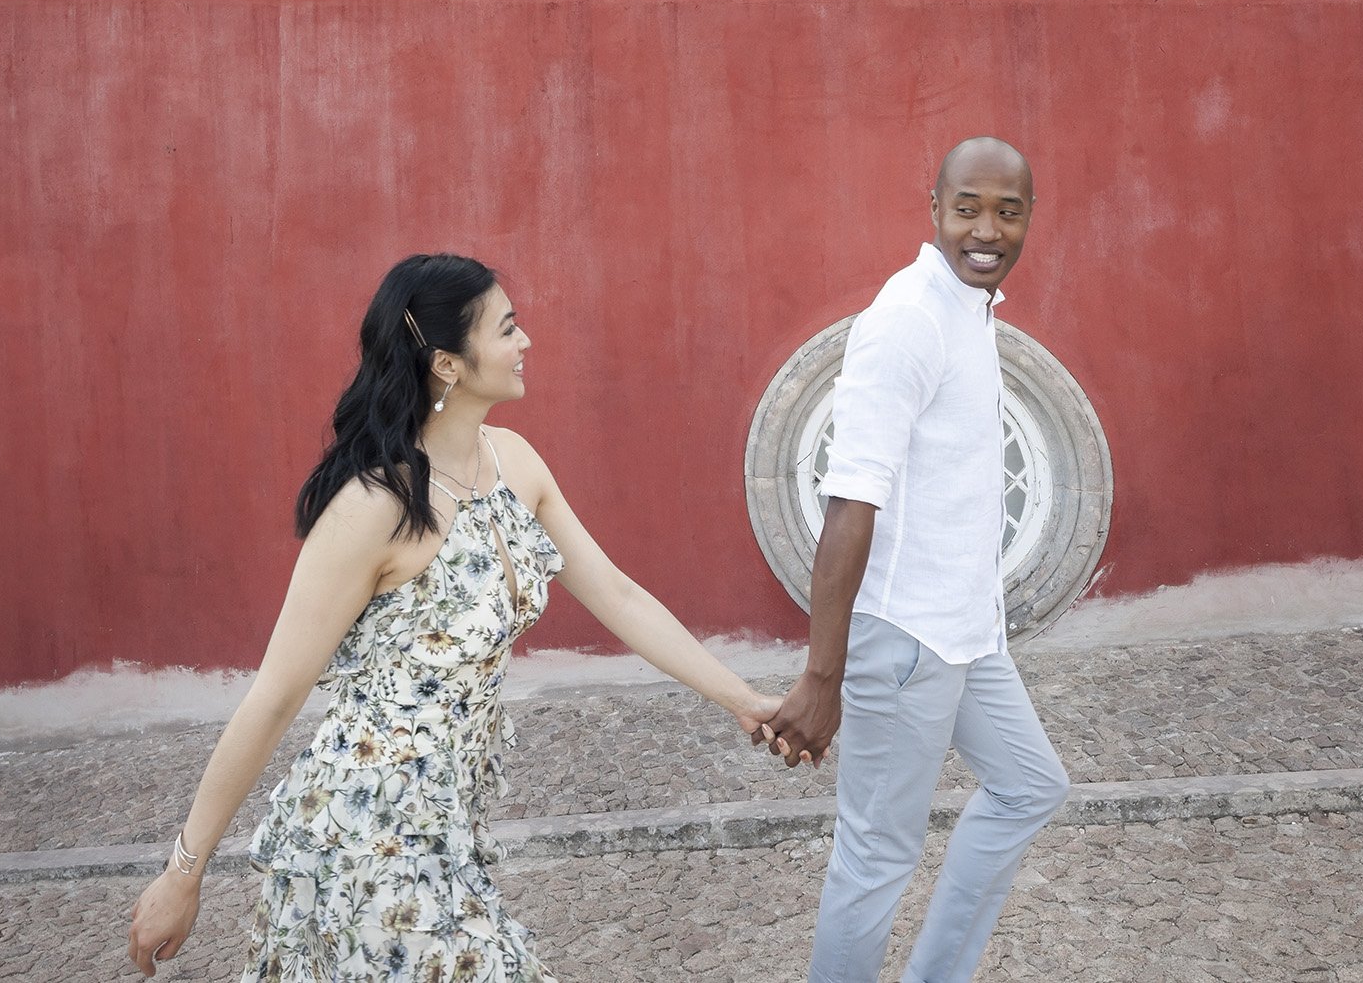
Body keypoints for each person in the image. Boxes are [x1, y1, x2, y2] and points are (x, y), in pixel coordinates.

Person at [128, 252, 780, 980]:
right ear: (448, 364)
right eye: (507, 328)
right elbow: (276, 694)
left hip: (445, 838)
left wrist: (745, 701)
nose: (525, 340)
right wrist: (184, 871)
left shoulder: (514, 463)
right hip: (362, 839)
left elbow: (619, 597)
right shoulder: (374, 506)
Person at [760, 138, 1071, 983]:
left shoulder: (970, 304)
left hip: (965, 633)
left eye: (1008, 210)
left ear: (1030, 217)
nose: (987, 228)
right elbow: (852, 501)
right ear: (932, 208)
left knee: (1030, 787)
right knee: (875, 858)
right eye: (968, 206)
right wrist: (824, 677)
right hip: (902, 642)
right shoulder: (907, 319)